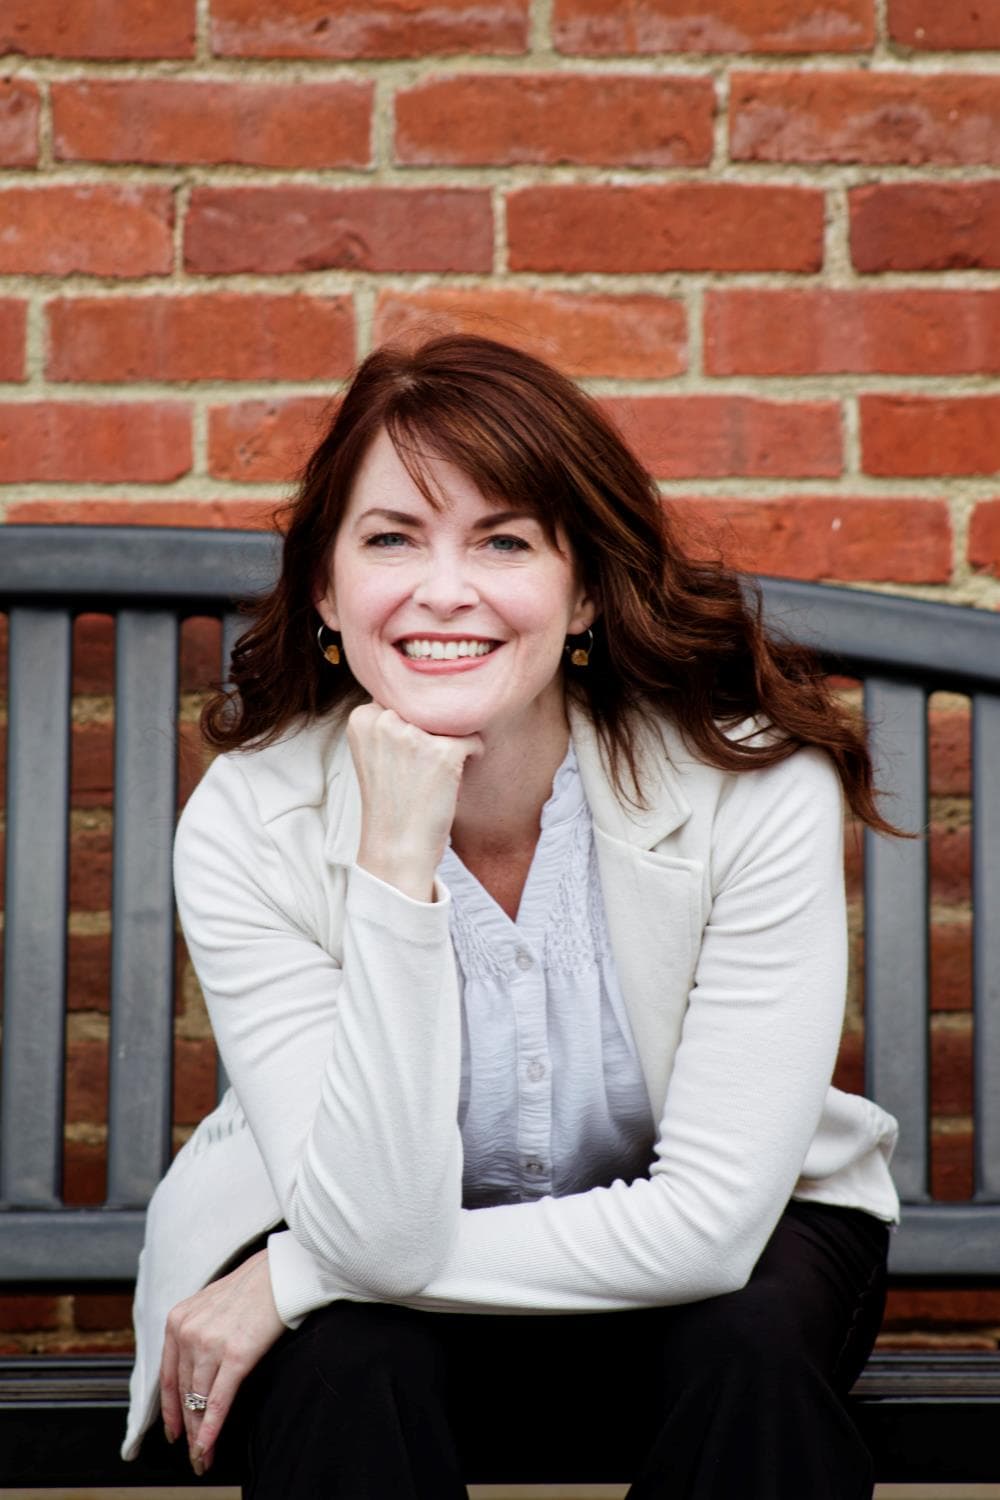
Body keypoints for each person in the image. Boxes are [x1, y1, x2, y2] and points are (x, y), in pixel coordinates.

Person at [123, 334, 899, 1498]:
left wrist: (291, 1279)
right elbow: (372, 1231)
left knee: (746, 1355)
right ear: (328, 590)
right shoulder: (253, 820)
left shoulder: (749, 787)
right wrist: (393, 862)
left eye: (502, 541)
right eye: (392, 538)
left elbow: (704, 1231)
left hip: (718, 1258)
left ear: (582, 587)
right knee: (350, 1369)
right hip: (360, 1245)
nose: (446, 590)